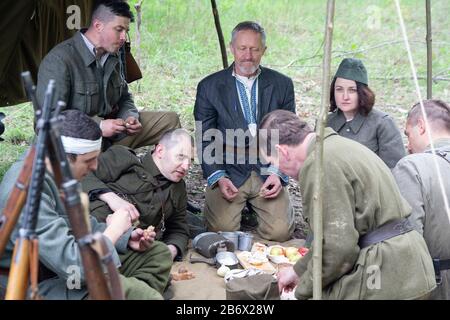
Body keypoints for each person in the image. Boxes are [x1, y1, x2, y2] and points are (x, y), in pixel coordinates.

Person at [259, 109, 436, 299]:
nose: (278, 170)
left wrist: (301, 292)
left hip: (385, 277)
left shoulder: (318, 164)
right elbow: (333, 239)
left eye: (274, 163)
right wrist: (298, 271)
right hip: (412, 268)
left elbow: (338, 249)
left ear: (282, 151)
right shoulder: (339, 146)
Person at [0, 110, 172, 300]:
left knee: (157, 254)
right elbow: (75, 266)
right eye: (89, 161)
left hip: (63, 267)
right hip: (35, 283)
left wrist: (125, 237)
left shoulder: (57, 171)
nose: (95, 167)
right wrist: (114, 230)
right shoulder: (27, 193)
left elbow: (78, 224)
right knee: (130, 291)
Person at [193, 21, 295, 241]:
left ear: (264, 50)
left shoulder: (282, 84)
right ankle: (241, 210)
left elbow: (288, 134)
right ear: (232, 48)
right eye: (242, 48)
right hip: (229, 170)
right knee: (221, 230)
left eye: (255, 49)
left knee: (281, 232)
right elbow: (204, 137)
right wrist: (218, 176)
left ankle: (257, 212)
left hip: (265, 169)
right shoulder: (209, 87)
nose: (248, 55)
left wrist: (279, 173)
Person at [36, 0, 180, 150]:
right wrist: (98, 125)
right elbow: (47, 122)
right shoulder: (59, 61)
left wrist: (129, 118)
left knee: (169, 121)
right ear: (98, 26)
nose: (123, 37)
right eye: (119, 29)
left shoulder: (113, 54)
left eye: (126, 30)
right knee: (118, 165)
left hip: (114, 135)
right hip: (80, 146)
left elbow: (124, 96)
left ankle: (161, 168)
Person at [81, 128, 193, 261]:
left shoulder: (178, 188)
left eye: (190, 160)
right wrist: (111, 198)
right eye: (180, 157)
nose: (186, 167)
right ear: (160, 151)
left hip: (133, 251)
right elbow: (80, 175)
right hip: (90, 239)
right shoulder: (123, 158)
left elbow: (179, 228)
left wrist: (171, 250)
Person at [392, 99, 450, 300]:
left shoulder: (412, 166)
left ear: (422, 126)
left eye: (408, 134)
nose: (408, 145)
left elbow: (407, 242)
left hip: (435, 287)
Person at [327, 58, 405, 168]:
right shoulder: (326, 123)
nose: (345, 97)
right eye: (339, 89)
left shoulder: (382, 123)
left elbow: (395, 168)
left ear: (362, 92)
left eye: (352, 90)